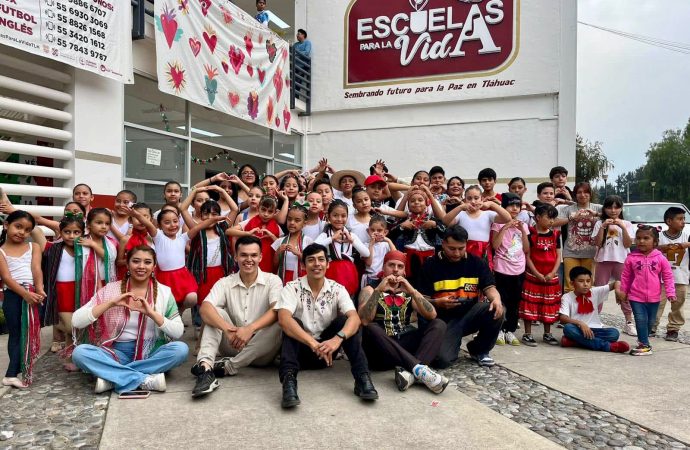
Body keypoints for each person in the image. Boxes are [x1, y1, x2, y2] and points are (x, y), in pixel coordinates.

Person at [71, 246, 188, 393]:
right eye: (136, 261)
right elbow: (76, 321)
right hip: (116, 352)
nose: (141, 266)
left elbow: (177, 332)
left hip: (151, 351)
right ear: (127, 264)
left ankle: (113, 378)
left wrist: (152, 313)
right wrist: (110, 304)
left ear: (154, 266)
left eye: (147, 262)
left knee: (181, 350)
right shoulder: (111, 290)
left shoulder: (164, 292)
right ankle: (143, 379)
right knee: (80, 353)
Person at [276, 243, 379, 408]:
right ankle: (289, 383)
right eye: (311, 260)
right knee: (293, 322)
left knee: (344, 322)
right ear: (303, 265)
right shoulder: (292, 288)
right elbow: (283, 319)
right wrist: (313, 343)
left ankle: (362, 379)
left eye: (321, 259)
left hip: (327, 353)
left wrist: (337, 340)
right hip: (299, 354)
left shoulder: (337, 289)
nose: (317, 264)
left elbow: (355, 318)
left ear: (327, 264)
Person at [191, 236, 283, 398]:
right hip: (232, 342)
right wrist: (227, 330)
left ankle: (230, 366)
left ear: (260, 257)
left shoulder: (272, 280)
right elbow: (205, 309)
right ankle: (205, 370)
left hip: (261, 350)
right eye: (244, 255)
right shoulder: (225, 282)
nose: (249, 260)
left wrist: (250, 329)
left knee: (282, 319)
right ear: (236, 257)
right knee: (215, 312)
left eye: (253, 255)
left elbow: (276, 310)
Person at [358, 251, 448, 394]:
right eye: (391, 265)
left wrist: (412, 291)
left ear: (404, 271)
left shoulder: (408, 291)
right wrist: (378, 291)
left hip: (404, 346)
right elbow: (364, 319)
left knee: (439, 324)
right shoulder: (370, 289)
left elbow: (432, 315)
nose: (395, 269)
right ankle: (419, 368)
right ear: (383, 267)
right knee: (370, 328)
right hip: (380, 351)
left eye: (400, 266)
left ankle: (411, 374)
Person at [417, 225, 504, 368]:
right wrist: (437, 302)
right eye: (452, 248)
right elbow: (420, 301)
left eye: (461, 248)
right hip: (442, 321)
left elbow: (490, 288)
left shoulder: (477, 263)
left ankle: (479, 350)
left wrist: (496, 299)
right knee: (441, 360)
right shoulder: (430, 265)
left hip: (468, 316)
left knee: (497, 309)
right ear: (443, 243)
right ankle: (450, 342)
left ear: (466, 244)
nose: (456, 253)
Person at [0, 211, 45, 388]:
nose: (21, 232)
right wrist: (24, 294)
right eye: (18, 226)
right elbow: (7, 277)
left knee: (29, 332)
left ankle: (20, 368)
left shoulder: (34, 247)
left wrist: (40, 289)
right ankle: (11, 374)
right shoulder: (1, 251)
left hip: (33, 293)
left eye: (27, 230)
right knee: (17, 333)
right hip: (13, 295)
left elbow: (36, 269)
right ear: (6, 225)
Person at [619, 225, 675, 356]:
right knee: (640, 319)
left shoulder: (660, 258)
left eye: (646, 238)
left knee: (651, 321)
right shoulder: (631, 258)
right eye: (638, 238)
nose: (641, 241)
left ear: (655, 242)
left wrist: (670, 292)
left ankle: (642, 338)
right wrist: (623, 291)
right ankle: (645, 345)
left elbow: (668, 276)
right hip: (635, 296)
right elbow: (626, 277)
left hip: (655, 297)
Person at [42, 217, 85, 371]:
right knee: (71, 327)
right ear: (60, 232)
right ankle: (56, 323)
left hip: (80, 289)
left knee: (75, 328)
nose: (71, 236)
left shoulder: (86, 248)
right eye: (67, 232)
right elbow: (35, 230)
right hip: (60, 290)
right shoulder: (54, 248)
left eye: (76, 232)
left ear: (83, 233)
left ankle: (71, 358)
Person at [559, 266, 630, 353]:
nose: (585, 284)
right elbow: (563, 318)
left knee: (614, 333)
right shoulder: (567, 297)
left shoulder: (594, 292)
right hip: (578, 329)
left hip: (596, 330)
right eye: (581, 281)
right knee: (568, 328)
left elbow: (616, 282)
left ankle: (575, 342)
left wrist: (617, 291)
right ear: (572, 283)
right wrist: (581, 323)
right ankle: (609, 347)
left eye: (588, 281)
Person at [591, 195, 635, 335]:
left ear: (621, 208)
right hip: (603, 261)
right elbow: (597, 243)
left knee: (624, 290)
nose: (613, 210)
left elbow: (628, 244)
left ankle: (628, 322)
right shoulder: (600, 223)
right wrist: (603, 227)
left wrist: (622, 226)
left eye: (616, 207)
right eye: (609, 207)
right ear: (604, 209)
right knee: (600, 290)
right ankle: (595, 319)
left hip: (622, 261)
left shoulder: (627, 223)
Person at [520, 203, 561, 346]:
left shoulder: (556, 234)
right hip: (533, 276)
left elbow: (558, 256)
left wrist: (553, 273)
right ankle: (527, 334)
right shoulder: (530, 234)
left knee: (548, 304)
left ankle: (547, 334)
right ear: (537, 217)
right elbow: (528, 256)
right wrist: (536, 273)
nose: (551, 221)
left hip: (551, 277)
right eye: (548, 218)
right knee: (530, 304)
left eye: (553, 218)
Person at [441, 185, 511, 269]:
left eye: (476, 198)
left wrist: (492, 204)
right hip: (465, 251)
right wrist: (460, 207)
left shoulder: (487, 214)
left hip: (483, 252)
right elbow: (445, 221)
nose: (473, 201)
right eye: (469, 198)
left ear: (481, 198)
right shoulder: (461, 214)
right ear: (465, 199)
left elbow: (507, 218)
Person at [491, 193, 529, 346]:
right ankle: (498, 329)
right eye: (511, 205)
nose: (514, 208)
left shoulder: (523, 225)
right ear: (503, 207)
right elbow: (495, 245)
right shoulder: (497, 224)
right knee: (502, 300)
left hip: (518, 269)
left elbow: (526, 249)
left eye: (517, 205)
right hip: (502, 267)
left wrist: (522, 231)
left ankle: (510, 330)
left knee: (515, 301)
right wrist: (506, 226)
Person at [553, 182, 602, 293]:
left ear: (590, 194)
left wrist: (596, 214)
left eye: (585, 192)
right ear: (575, 194)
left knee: (587, 285)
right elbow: (554, 223)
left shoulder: (598, 208)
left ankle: (584, 309)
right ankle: (570, 310)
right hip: (570, 252)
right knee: (570, 285)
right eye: (579, 192)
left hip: (591, 253)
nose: (582, 195)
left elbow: (612, 214)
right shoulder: (569, 209)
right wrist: (571, 217)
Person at [315, 200, 370, 296]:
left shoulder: (351, 235)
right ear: (328, 216)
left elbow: (366, 253)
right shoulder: (325, 235)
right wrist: (332, 238)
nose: (339, 219)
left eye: (343, 216)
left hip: (348, 274)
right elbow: (313, 248)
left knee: (347, 303)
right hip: (330, 272)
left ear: (347, 217)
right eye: (335, 215)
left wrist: (352, 241)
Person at [653, 207, 689, 341]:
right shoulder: (659, 237)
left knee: (678, 305)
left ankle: (673, 329)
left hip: (681, 278)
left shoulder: (687, 237)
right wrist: (673, 247)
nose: (683, 222)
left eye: (684, 219)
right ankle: (652, 326)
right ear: (669, 221)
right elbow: (651, 249)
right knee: (657, 304)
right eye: (680, 219)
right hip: (660, 279)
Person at [273, 203, 313, 284]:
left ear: (304, 223)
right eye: (289, 219)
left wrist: (298, 253)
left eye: (297, 220)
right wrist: (278, 252)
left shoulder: (308, 241)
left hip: (301, 279)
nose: (292, 223)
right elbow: (274, 265)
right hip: (283, 278)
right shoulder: (280, 241)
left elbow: (311, 261)